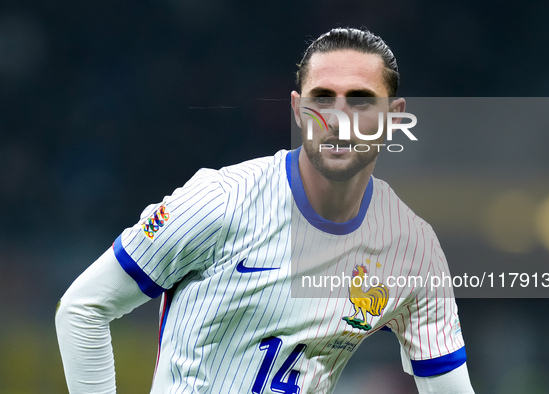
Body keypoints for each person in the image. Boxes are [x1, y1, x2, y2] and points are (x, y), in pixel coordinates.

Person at [56, 27, 475, 393]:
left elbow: (449, 386)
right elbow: (83, 308)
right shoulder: (220, 201)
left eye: (361, 100)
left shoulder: (414, 249)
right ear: (297, 109)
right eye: (322, 98)